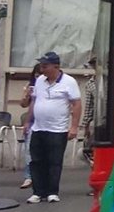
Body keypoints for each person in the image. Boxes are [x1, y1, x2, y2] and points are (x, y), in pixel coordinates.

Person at [20, 51, 81, 203]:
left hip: (57, 129)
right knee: (36, 160)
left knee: (54, 161)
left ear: (56, 66)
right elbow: (34, 101)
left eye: (45, 65)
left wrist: (74, 127)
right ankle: (38, 192)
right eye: (41, 65)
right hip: (39, 127)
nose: (42, 68)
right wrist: (28, 121)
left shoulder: (69, 82)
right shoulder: (40, 80)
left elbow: (76, 104)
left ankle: (52, 191)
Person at [17, 61, 42, 190]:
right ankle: (28, 176)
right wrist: (27, 95)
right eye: (36, 75)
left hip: (45, 121)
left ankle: (41, 176)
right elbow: (23, 104)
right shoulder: (30, 86)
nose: (38, 78)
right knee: (28, 149)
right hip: (32, 121)